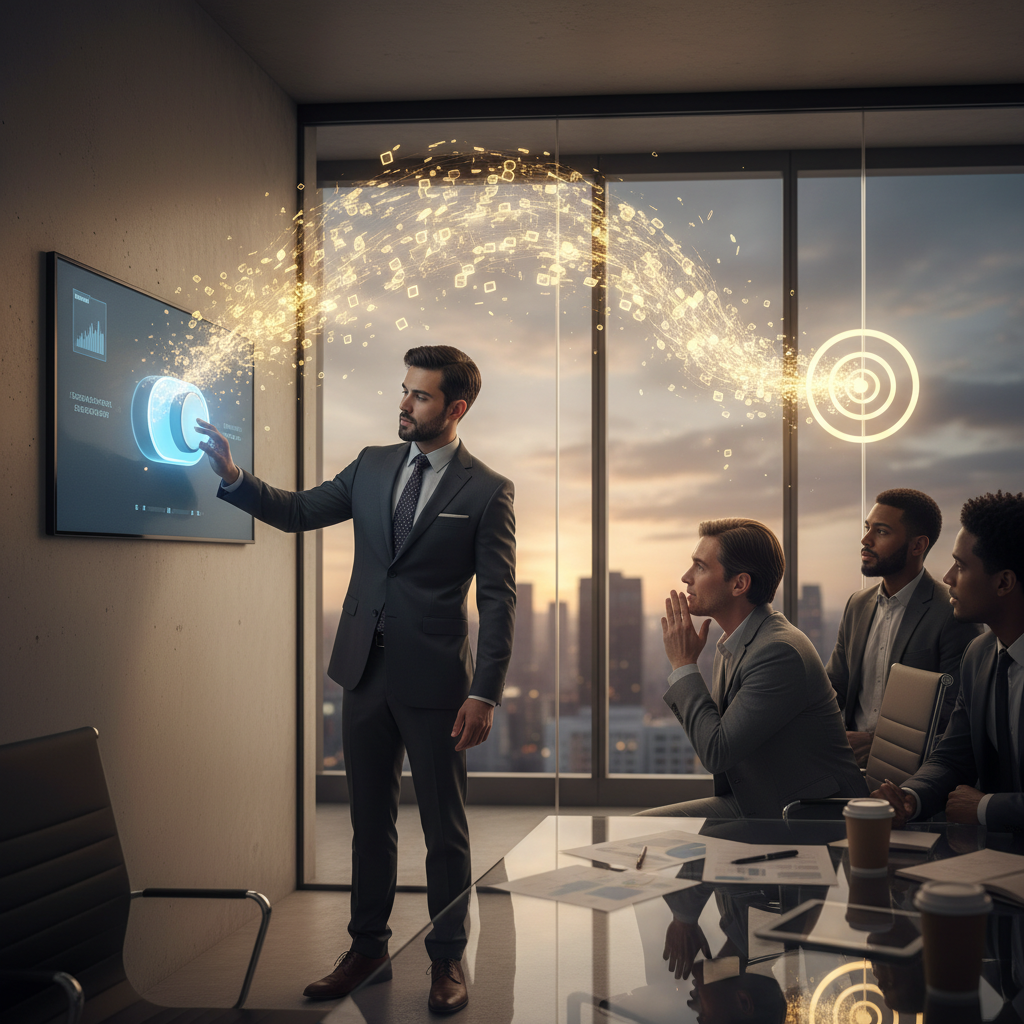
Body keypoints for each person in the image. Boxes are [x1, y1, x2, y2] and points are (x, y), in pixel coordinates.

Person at [196, 345, 516, 1014]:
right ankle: (366, 948)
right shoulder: (370, 466)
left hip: (437, 687)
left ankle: (447, 957)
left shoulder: (487, 490)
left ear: (454, 409)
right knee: (368, 824)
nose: (404, 403)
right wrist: (232, 475)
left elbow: (498, 601)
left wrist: (484, 691)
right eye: (404, 390)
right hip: (362, 673)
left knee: (444, 830)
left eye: (420, 396)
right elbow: (298, 511)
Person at [639, 518, 866, 818]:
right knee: (640, 829)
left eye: (700, 566)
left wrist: (683, 665)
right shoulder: (736, 642)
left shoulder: (778, 652)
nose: (686, 577)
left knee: (648, 836)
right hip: (760, 800)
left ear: (739, 584)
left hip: (808, 815)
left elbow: (716, 752)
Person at [874, 491, 1024, 833]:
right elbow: (954, 756)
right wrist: (912, 797)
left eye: (961, 566)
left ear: (1003, 582)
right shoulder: (980, 655)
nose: (948, 578)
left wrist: (987, 807)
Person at [827, 488, 983, 767]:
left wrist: (877, 742)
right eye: (867, 528)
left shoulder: (952, 613)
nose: (865, 540)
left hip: (913, 772)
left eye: (882, 531)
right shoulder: (857, 604)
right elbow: (834, 686)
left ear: (918, 546)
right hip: (849, 764)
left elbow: (953, 716)